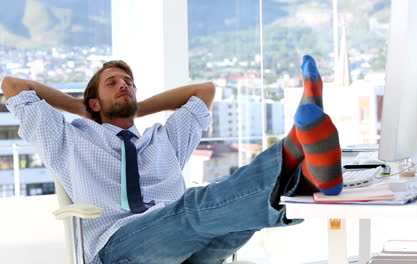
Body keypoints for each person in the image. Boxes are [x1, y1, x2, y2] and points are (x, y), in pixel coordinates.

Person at [1, 55, 343, 264]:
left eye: (129, 83)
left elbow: (204, 91)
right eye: (112, 83)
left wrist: (133, 106)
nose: (124, 85)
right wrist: (81, 108)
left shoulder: (162, 139)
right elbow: (13, 85)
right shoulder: (68, 137)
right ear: (92, 102)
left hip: (188, 248)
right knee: (193, 208)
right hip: (119, 248)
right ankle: (295, 158)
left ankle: (305, 171)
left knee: (239, 219)